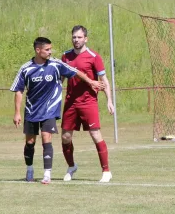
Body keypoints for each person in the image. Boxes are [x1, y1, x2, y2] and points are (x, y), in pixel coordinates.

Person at [10, 37, 103, 185]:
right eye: (47, 49)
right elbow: (19, 91)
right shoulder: (26, 68)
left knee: (47, 138)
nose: (50, 52)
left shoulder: (56, 64)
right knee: (30, 142)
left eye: (50, 49)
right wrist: (17, 112)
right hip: (31, 111)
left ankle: (47, 174)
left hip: (49, 110)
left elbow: (76, 72)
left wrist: (91, 82)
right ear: (38, 50)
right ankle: (30, 169)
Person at [60, 25, 115, 183]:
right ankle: (71, 167)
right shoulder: (66, 56)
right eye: (74, 37)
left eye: (79, 37)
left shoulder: (93, 56)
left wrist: (109, 101)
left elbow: (104, 81)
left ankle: (106, 171)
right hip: (70, 102)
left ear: (85, 39)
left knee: (95, 134)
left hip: (88, 102)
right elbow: (61, 80)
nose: (76, 40)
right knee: (65, 136)